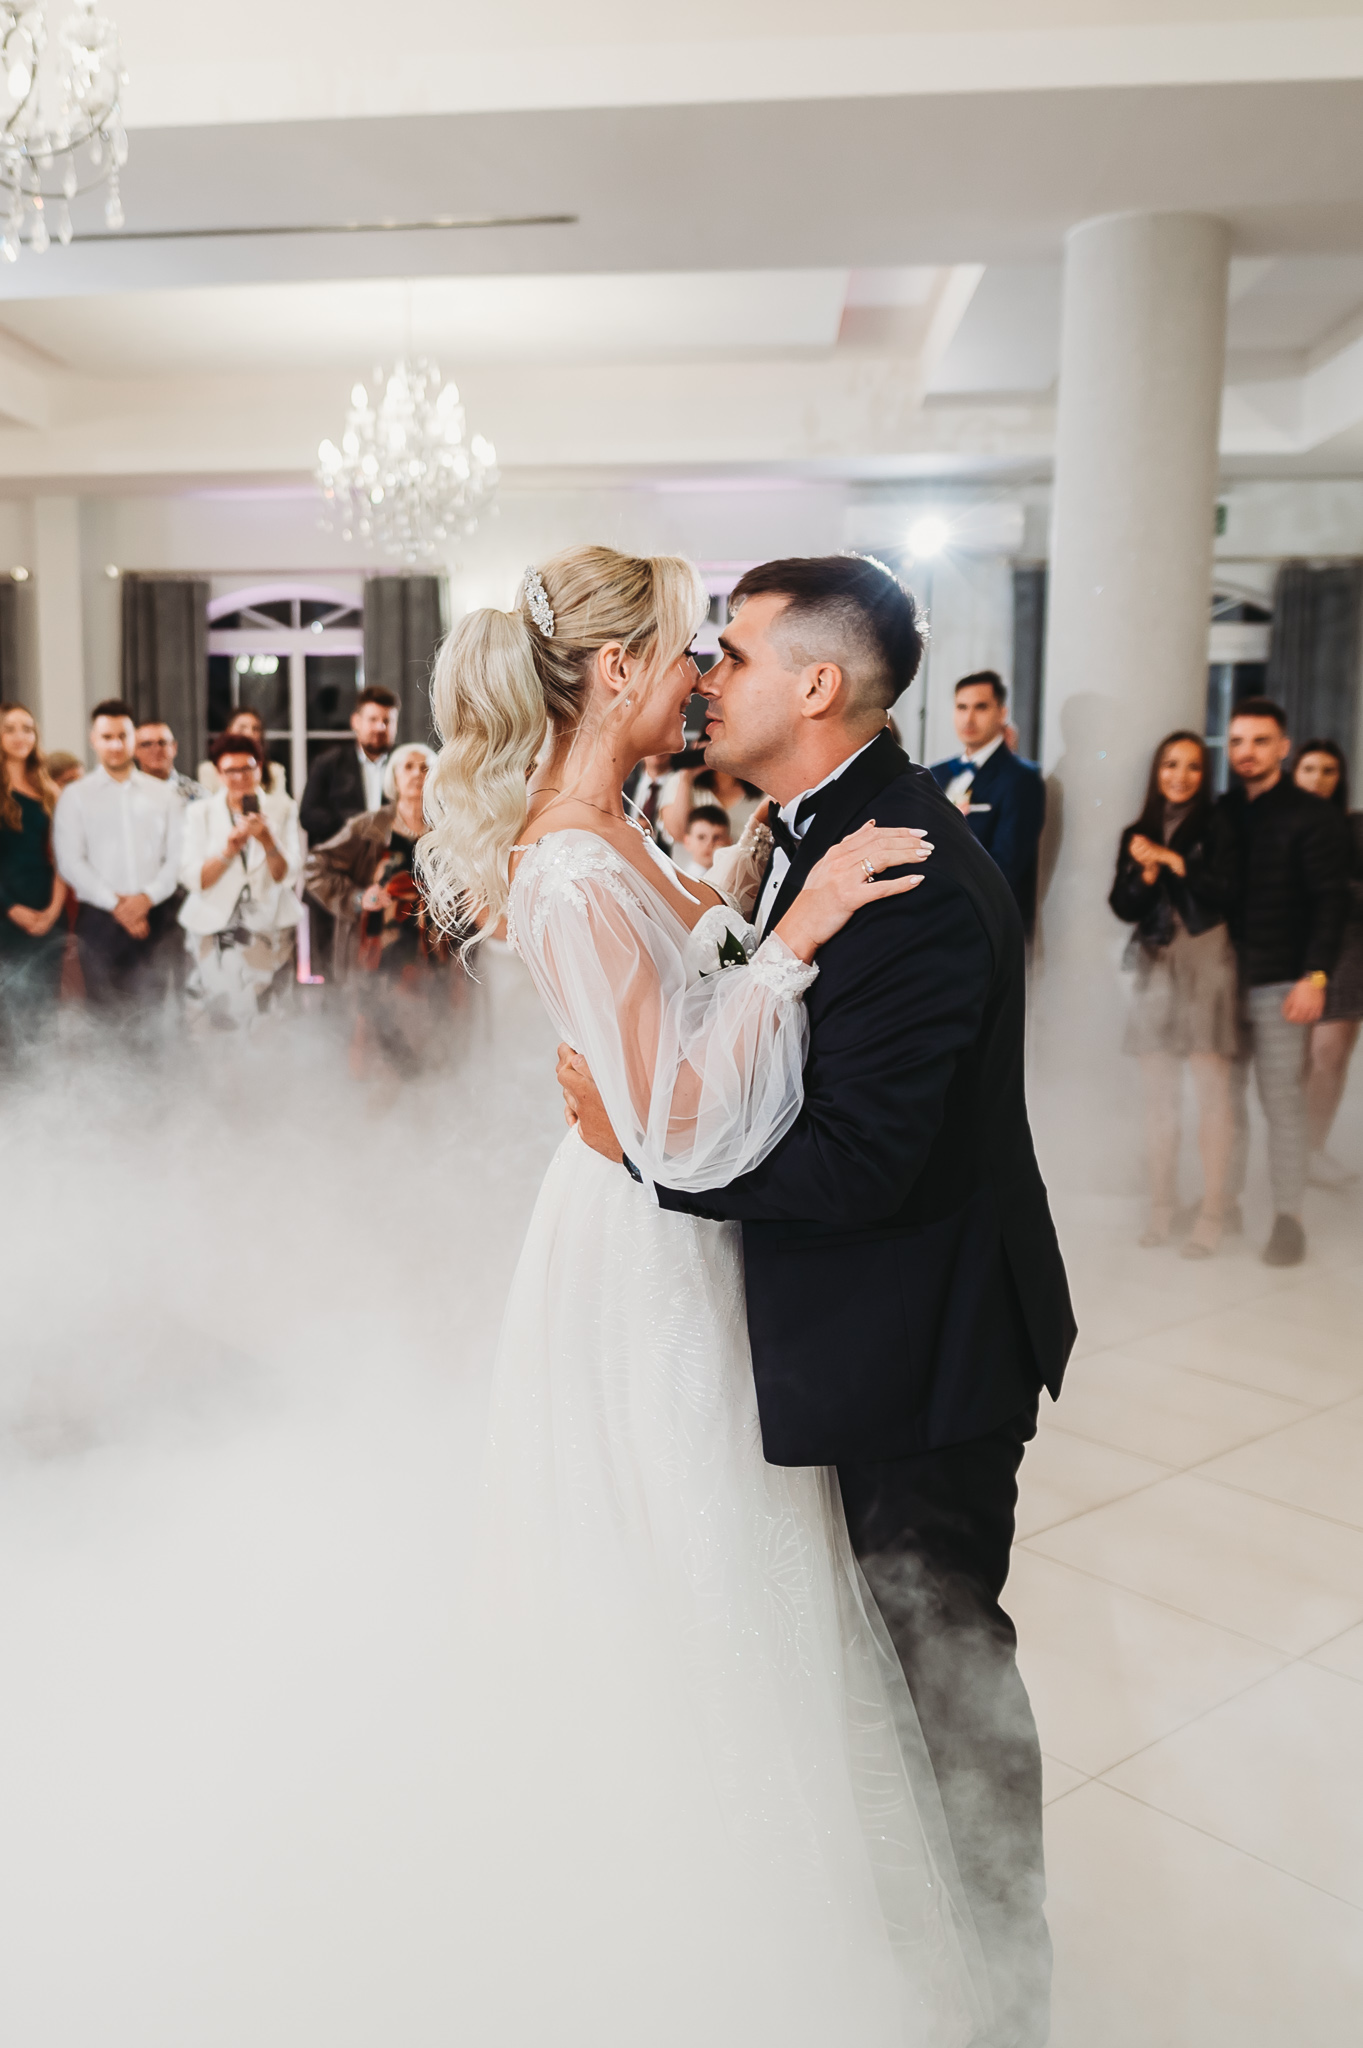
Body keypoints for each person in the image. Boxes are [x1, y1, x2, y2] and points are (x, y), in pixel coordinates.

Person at [416, 545, 990, 2043]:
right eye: (690, 648)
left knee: (741, 1561)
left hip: (679, 1221)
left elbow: (678, 1002)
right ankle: (700, 1936)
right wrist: (789, 939)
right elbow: (672, 1115)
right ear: (618, 670)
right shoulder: (564, 861)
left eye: (721, 652)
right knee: (680, 1558)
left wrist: (741, 906)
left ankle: (813, 1914)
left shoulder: (617, 824)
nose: (700, 676)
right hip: (644, 1243)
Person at [554, 552, 1075, 2048]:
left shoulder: (902, 873)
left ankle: (1007, 2001)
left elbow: (856, 1160)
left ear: (819, 684)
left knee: (943, 1680)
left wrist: (640, 1158)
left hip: (923, 1351)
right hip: (862, 1327)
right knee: (867, 1676)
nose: (705, 676)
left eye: (730, 651)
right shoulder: (811, 831)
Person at [1220, 699, 1350, 1266]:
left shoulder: (1314, 816)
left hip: (1282, 983)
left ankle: (1288, 1219)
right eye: (1237, 741)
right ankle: (1224, 1202)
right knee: (1225, 1102)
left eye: (1259, 741)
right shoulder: (1224, 810)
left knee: (1282, 1103)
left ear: (1283, 747)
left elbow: (1331, 904)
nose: (1246, 752)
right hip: (1224, 980)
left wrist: (1315, 977)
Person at [1109, 732, 1240, 1255]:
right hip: (1155, 963)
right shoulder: (1135, 832)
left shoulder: (1221, 824)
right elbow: (1123, 906)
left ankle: (1212, 1213)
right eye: (1170, 765)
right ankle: (1162, 1206)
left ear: (1204, 775)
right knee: (1157, 1101)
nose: (1179, 776)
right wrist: (1145, 873)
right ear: (1157, 772)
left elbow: (1230, 891)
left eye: (1191, 767)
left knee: (1212, 1097)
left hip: (1208, 959)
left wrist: (1174, 860)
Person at [304, 743, 462, 1078]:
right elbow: (315, 867)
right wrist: (358, 897)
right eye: (408, 767)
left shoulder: (451, 829)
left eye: (425, 767)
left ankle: (428, 1097)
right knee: (376, 1043)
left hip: (434, 955)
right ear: (394, 777)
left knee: (433, 1043)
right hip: (379, 955)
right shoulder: (369, 826)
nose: (417, 774)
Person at [53, 699, 182, 1015]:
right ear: (93, 740)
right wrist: (118, 906)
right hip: (99, 920)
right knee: (102, 1017)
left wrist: (145, 899)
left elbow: (177, 858)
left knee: (153, 1016)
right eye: (107, 737)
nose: (115, 745)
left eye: (122, 736)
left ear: (133, 738)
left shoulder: (165, 795)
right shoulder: (75, 796)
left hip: (155, 917)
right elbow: (70, 862)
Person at [177, 728, 301, 1030]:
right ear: (219, 773)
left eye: (247, 768)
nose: (240, 777)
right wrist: (228, 851)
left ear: (260, 768)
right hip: (212, 924)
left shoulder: (282, 808)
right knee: (214, 1016)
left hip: (268, 925)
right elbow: (193, 877)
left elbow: (288, 875)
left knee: (268, 1017)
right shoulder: (200, 812)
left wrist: (268, 840)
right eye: (230, 770)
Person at [1291, 738, 1362, 1187]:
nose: (1318, 779)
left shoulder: (1355, 828)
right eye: (1309, 769)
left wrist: (1330, 889)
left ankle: (1312, 1151)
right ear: (1294, 774)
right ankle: (1289, 1150)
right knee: (1292, 1060)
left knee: (1329, 1054)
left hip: (1348, 950)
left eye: (1328, 771)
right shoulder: (1276, 824)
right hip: (1288, 950)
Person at [931, 671, 1046, 933]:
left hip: (982, 921)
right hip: (929, 915)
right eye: (962, 707)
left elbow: (1007, 864)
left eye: (980, 707)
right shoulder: (935, 773)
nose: (968, 718)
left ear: (1002, 713)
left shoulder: (1021, 778)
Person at [0, 701, 68, 1046]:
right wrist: (12, 909)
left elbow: (62, 861)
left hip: (47, 911)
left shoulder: (49, 791)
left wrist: (53, 911)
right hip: (5, 915)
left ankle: (42, 1081)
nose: (20, 736)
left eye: (27, 728)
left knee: (42, 1014)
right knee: (8, 1017)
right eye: (9, 728)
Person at [298, 686, 399, 847]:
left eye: (387, 721)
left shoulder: (406, 764)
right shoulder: (328, 763)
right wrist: (355, 825)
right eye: (373, 720)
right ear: (355, 722)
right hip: (342, 854)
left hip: (393, 856)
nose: (380, 727)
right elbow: (308, 816)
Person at [658, 759, 765, 843]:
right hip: (688, 863)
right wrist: (686, 778)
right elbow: (677, 834)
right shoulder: (680, 779)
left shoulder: (761, 786)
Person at [196, 708, 287, 797]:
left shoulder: (274, 770)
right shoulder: (209, 770)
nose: (249, 733)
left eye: (255, 729)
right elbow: (207, 801)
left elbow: (281, 803)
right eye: (242, 728)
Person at [135, 720, 205, 803]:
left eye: (162, 743)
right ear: (134, 750)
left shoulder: (197, 794)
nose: (156, 749)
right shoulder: (126, 794)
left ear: (174, 748)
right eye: (147, 744)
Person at [621, 750, 674, 842]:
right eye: (653, 744)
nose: (657, 749)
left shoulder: (681, 785)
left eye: (662, 744)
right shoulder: (623, 787)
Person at [672, 801, 732, 878]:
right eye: (701, 837)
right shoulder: (678, 879)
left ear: (729, 843)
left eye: (717, 838)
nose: (709, 844)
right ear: (687, 842)